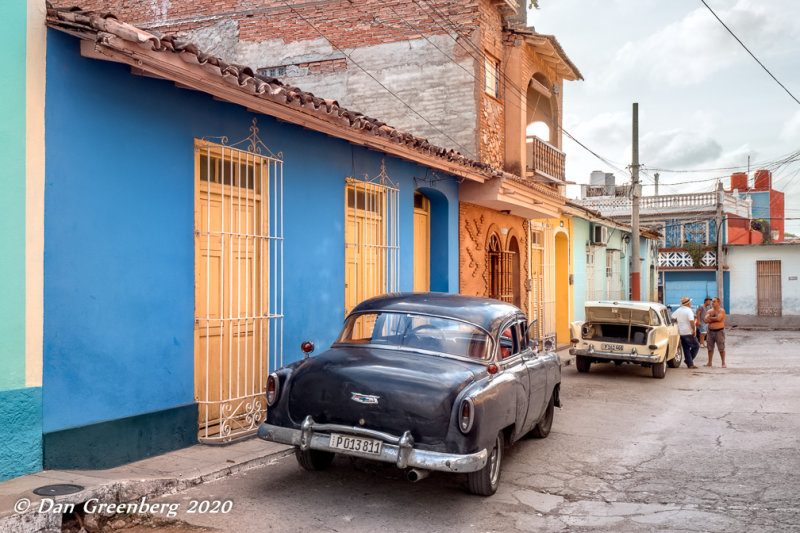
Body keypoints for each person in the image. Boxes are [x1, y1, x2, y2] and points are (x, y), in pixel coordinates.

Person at [671, 296, 699, 369]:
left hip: (681, 332)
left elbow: (672, 317)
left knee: (686, 348)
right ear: (688, 303)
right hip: (688, 332)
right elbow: (691, 321)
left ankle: (690, 364)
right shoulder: (689, 311)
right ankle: (688, 361)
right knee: (696, 346)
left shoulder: (678, 310)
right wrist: (693, 330)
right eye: (690, 302)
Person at [704, 297, 727, 368]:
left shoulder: (721, 311)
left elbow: (719, 318)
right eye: (712, 302)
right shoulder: (710, 311)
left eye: (714, 301)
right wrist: (714, 319)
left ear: (718, 302)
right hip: (710, 331)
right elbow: (705, 320)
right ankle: (709, 362)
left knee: (721, 348)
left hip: (719, 331)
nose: (712, 303)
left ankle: (723, 362)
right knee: (710, 347)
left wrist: (710, 319)